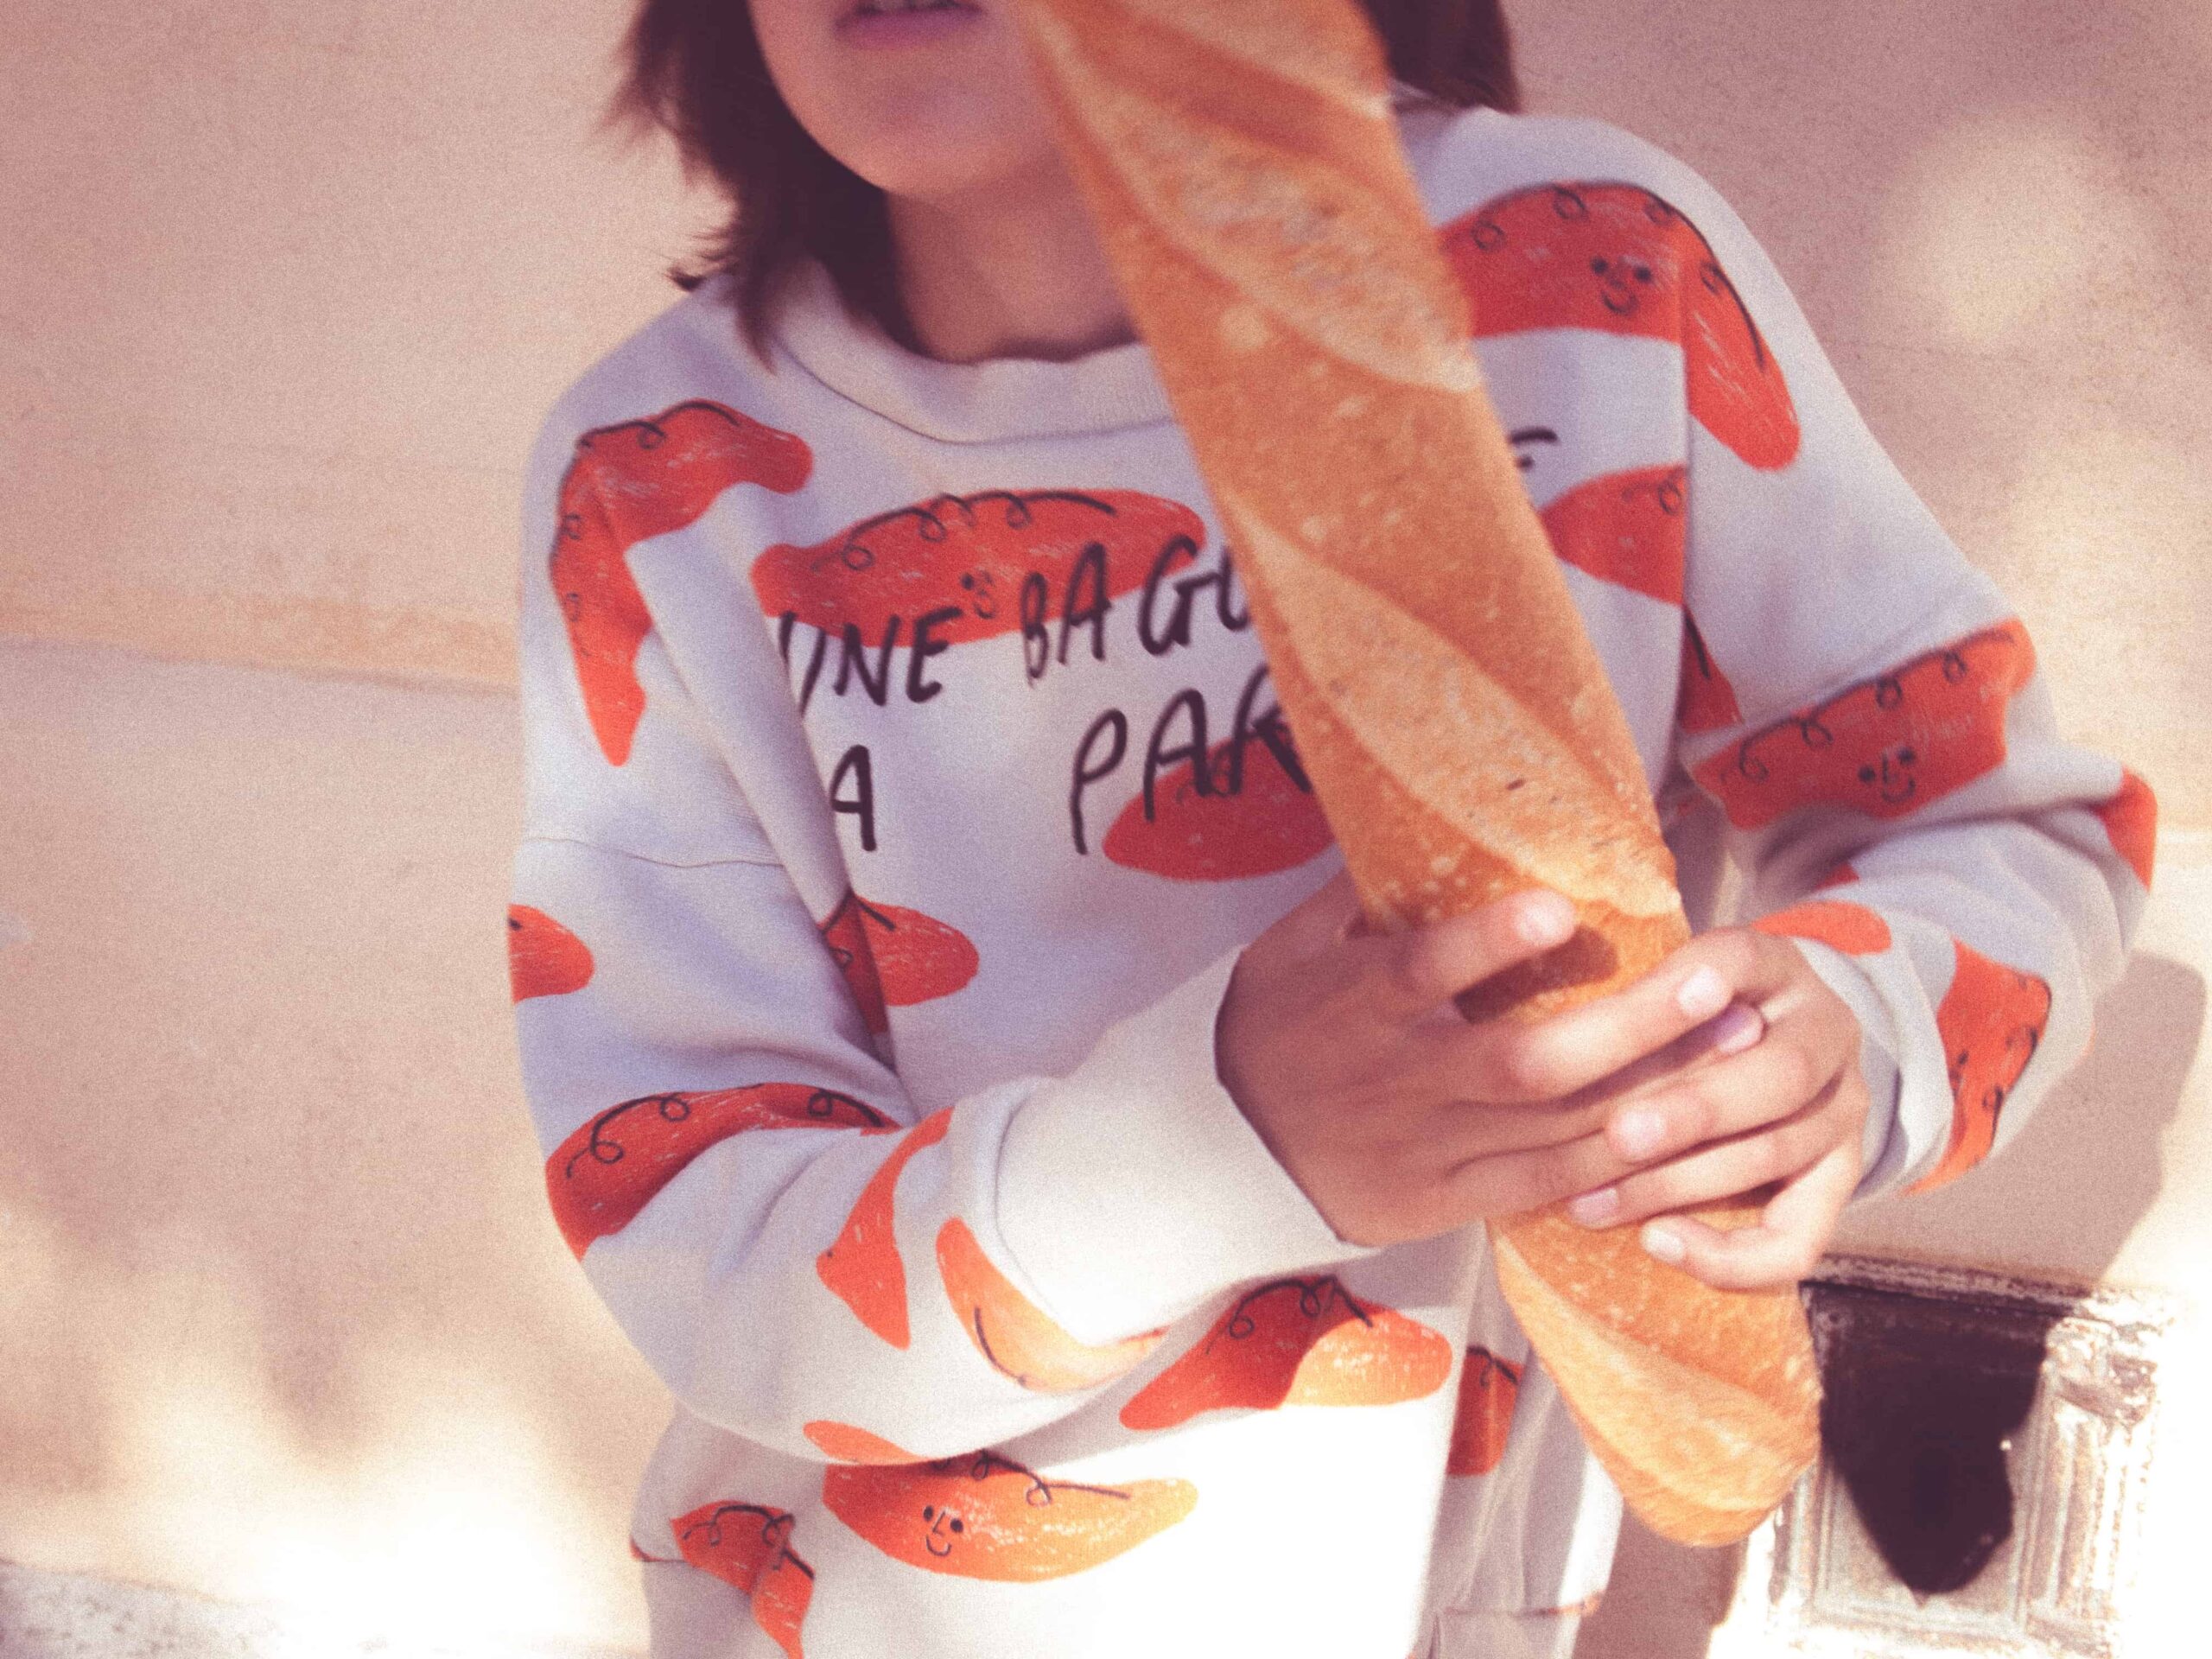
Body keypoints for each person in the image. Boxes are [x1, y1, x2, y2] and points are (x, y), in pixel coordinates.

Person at [505, 2, 2153, 1655]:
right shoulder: (660, 479)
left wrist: (1851, 1035)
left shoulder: (1585, 282)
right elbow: (701, 1233)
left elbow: (1993, 830)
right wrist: (1224, 1143)